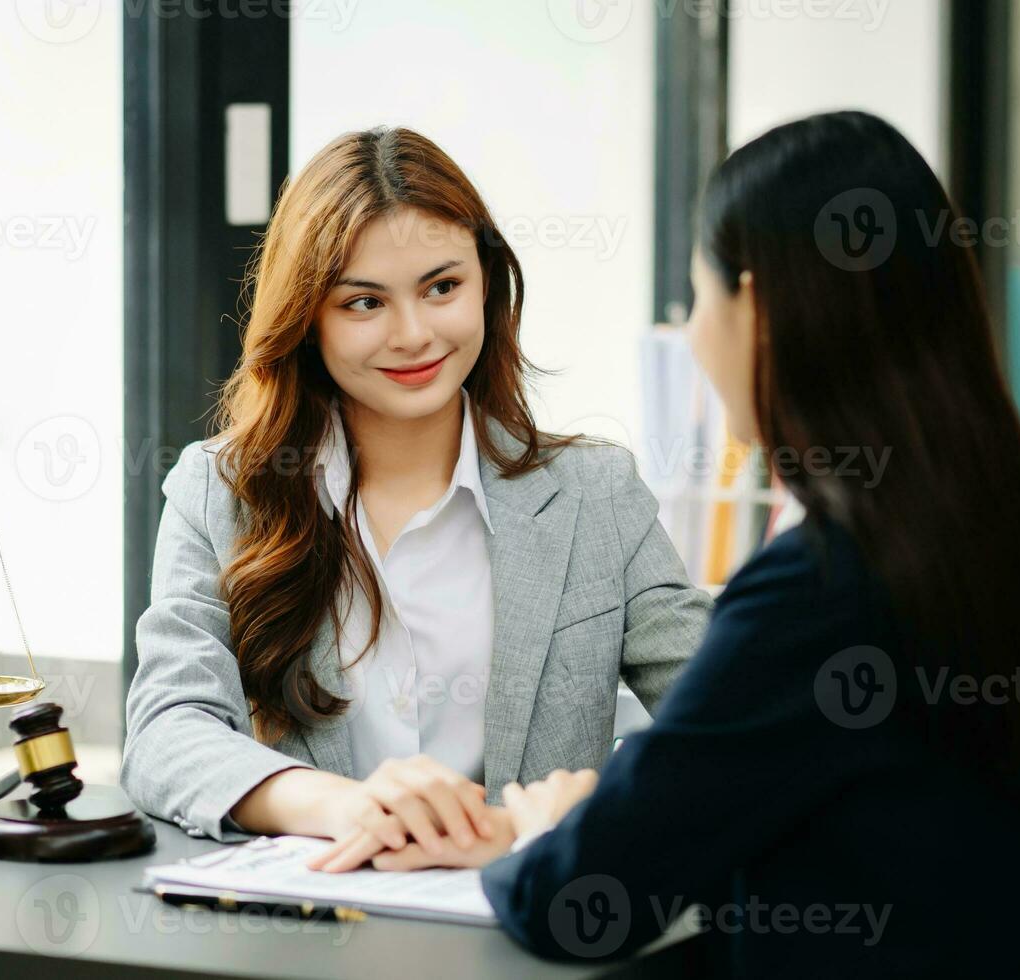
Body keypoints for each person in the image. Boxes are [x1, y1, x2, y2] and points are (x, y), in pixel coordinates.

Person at [474, 111, 1020, 976]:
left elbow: (579, 900)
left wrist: (544, 828)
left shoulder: (822, 585)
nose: (695, 333)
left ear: (759, 310)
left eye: (698, 296)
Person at [122, 126, 712, 865]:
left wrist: (592, 804)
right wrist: (342, 805)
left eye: (442, 287)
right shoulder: (220, 489)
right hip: (306, 932)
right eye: (363, 303)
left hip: (531, 936)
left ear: (487, 284)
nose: (413, 334)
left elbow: (727, 720)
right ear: (306, 319)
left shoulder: (596, 495)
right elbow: (165, 731)